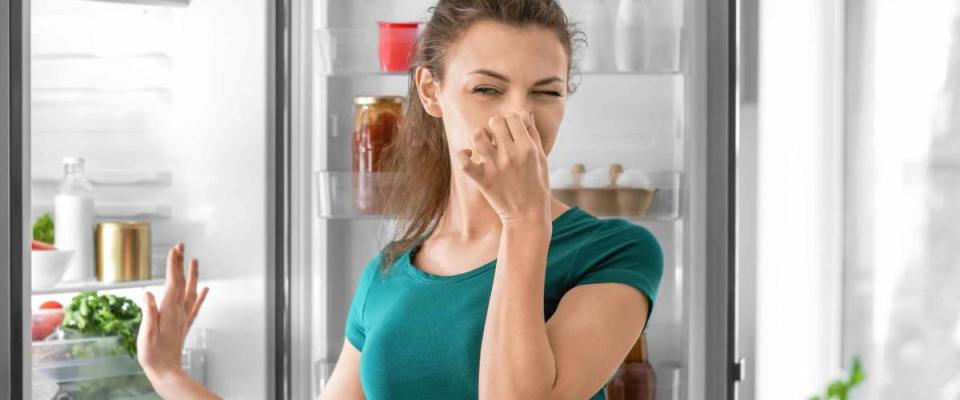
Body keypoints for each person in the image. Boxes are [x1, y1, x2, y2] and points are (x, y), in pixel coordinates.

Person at [137, 1, 663, 399]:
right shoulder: (389, 272)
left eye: (546, 92)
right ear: (431, 92)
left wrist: (524, 222)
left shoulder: (614, 253)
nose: (518, 116)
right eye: (487, 89)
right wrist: (168, 374)